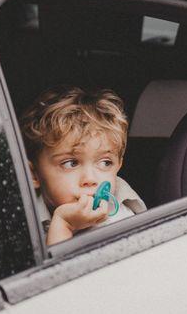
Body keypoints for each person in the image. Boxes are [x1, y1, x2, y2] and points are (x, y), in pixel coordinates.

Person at [20, 87, 146, 246]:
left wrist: (63, 225)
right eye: (71, 163)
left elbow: (62, 270)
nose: (91, 179)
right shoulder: (21, 217)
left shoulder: (118, 223)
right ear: (33, 174)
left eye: (105, 163)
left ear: (118, 165)